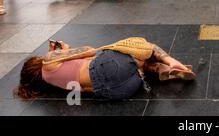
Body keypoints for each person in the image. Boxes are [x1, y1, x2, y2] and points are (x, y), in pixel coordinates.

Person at [16, 38, 195, 100]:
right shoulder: (48, 61)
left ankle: (151, 69)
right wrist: (65, 50)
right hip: (107, 67)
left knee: (135, 64)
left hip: (120, 91)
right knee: (141, 46)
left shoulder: (54, 84)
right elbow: (88, 51)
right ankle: (168, 62)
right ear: (36, 63)